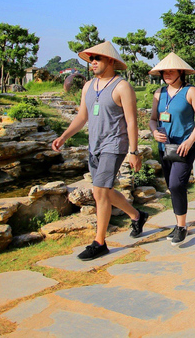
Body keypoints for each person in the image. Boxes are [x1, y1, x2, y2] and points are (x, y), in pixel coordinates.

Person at [52, 41, 145, 261]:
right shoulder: (88, 86)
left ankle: (100, 242)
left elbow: (132, 122)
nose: (92, 63)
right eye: (91, 59)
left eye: (97, 59)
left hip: (114, 145)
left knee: (100, 193)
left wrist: (134, 151)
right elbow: (82, 117)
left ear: (110, 61)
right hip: (94, 145)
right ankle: (137, 215)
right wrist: (64, 136)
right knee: (102, 191)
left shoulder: (122, 87)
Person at [148, 52, 195, 246]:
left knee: (176, 184)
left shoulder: (190, 91)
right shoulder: (159, 93)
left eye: (171, 70)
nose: (167, 73)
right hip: (164, 147)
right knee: (171, 186)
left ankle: (181, 227)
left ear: (181, 72)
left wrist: (190, 141)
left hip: (184, 147)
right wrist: (154, 131)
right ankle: (178, 223)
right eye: (164, 71)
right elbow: (153, 119)